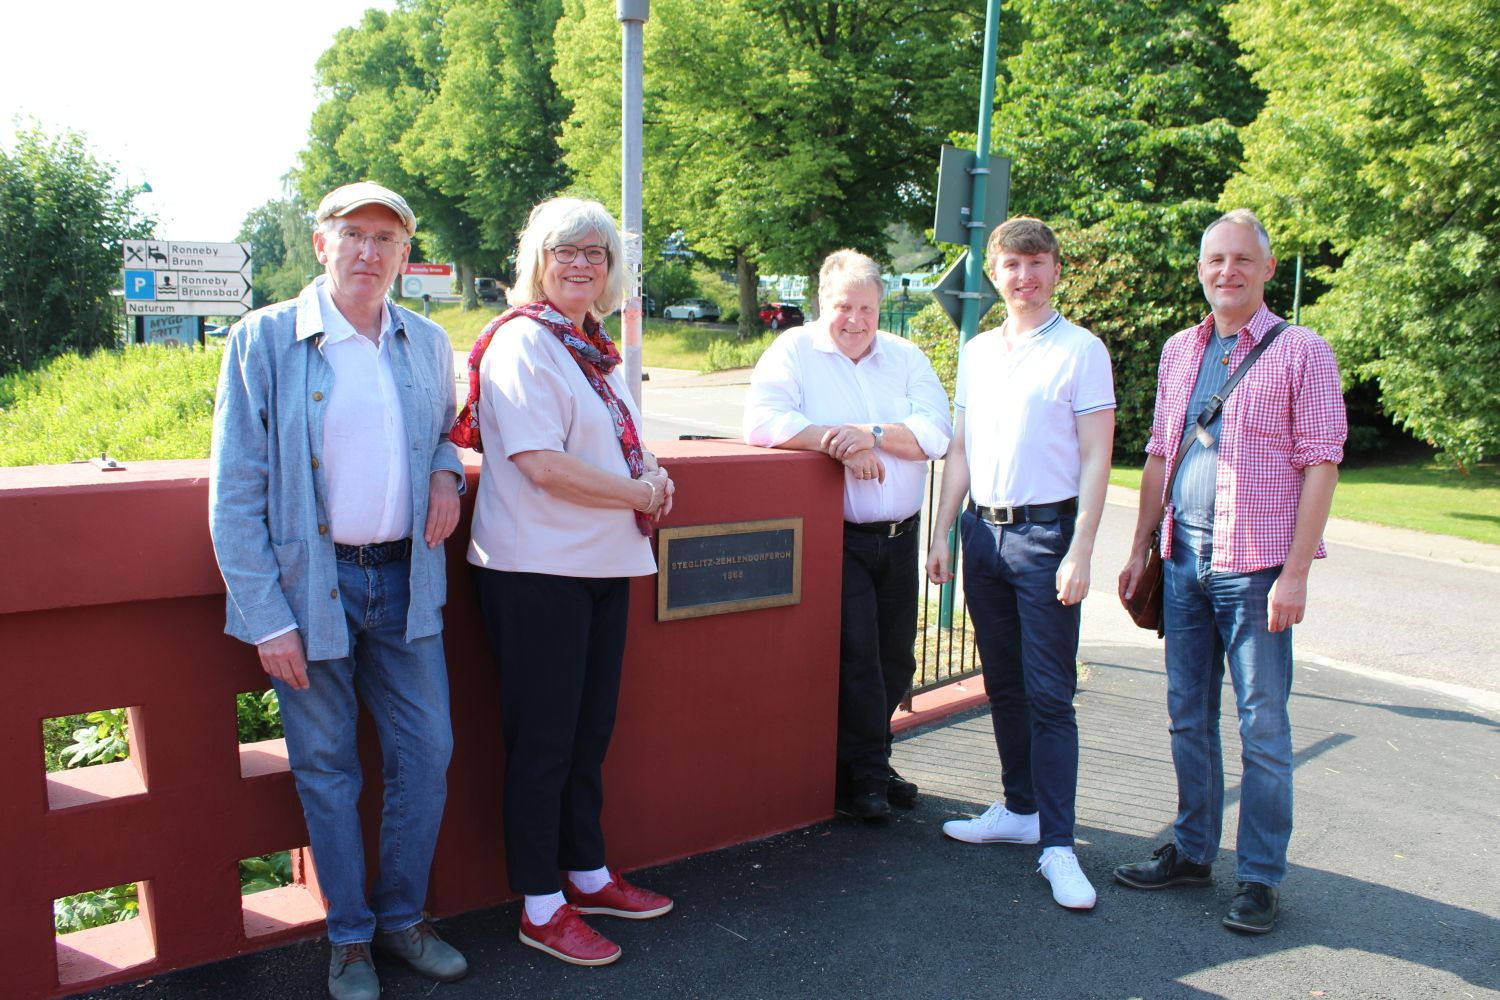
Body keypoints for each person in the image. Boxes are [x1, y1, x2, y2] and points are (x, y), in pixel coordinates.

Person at [209, 181, 468, 1000]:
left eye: (385, 239)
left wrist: (443, 473)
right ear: (321, 243)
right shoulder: (264, 340)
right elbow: (234, 491)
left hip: (404, 578)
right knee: (327, 768)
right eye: (352, 234)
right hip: (309, 591)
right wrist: (266, 620)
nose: (368, 251)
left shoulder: (424, 340)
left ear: (404, 254)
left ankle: (401, 920)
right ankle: (349, 937)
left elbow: (442, 434)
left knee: (427, 755)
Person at [1114, 209, 1346, 934]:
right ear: (1201, 268)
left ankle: (1259, 878)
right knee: (1188, 716)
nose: (1228, 271)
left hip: (1255, 568)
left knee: (1262, 724)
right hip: (1183, 561)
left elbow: (1322, 464)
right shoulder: (1180, 350)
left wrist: (1297, 573)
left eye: (1243, 259)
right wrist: (1139, 545)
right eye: (1216, 259)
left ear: (1268, 269)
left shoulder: (1302, 350)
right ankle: (1190, 851)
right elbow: (1159, 453)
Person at [463, 197, 675, 967]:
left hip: (598, 563)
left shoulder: (589, 346)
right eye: (567, 251)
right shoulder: (524, 342)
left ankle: (584, 872)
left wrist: (648, 471)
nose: (582, 264)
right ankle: (540, 905)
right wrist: (643, 494)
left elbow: (609, 446)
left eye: (596, 253)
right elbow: (541, 465)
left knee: (587, 737)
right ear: (538, 261)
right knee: (544, 744)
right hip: (536, 571)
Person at [926, 217, 1115, 910]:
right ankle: (1018, 810)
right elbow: (963, 449)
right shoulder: (976, 351)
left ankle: (1058, 848)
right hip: (984, 535)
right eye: (1011, 265)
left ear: (1056, 270)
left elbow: (1098, 457)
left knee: (1048, 695)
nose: (1024, 277)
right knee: (1003, 684)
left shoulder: (1080, 350)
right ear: (994, 273)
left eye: (1036, 264)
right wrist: (943, 531)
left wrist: (1082, 550)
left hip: (1047, 538)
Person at [744, 249, 952, 822]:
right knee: (856, 656)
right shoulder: (795, 351)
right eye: (843, 306)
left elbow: (936, 433)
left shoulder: (906, 356)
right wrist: (840, 442)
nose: (855, 319)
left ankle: (869, 760)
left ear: (880, 306)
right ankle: (865, 780)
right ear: (822, 302)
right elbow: (764, 421)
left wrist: (870, 433)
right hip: (840, 538)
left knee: (895, 659)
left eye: (867, 307)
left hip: (900, 533)